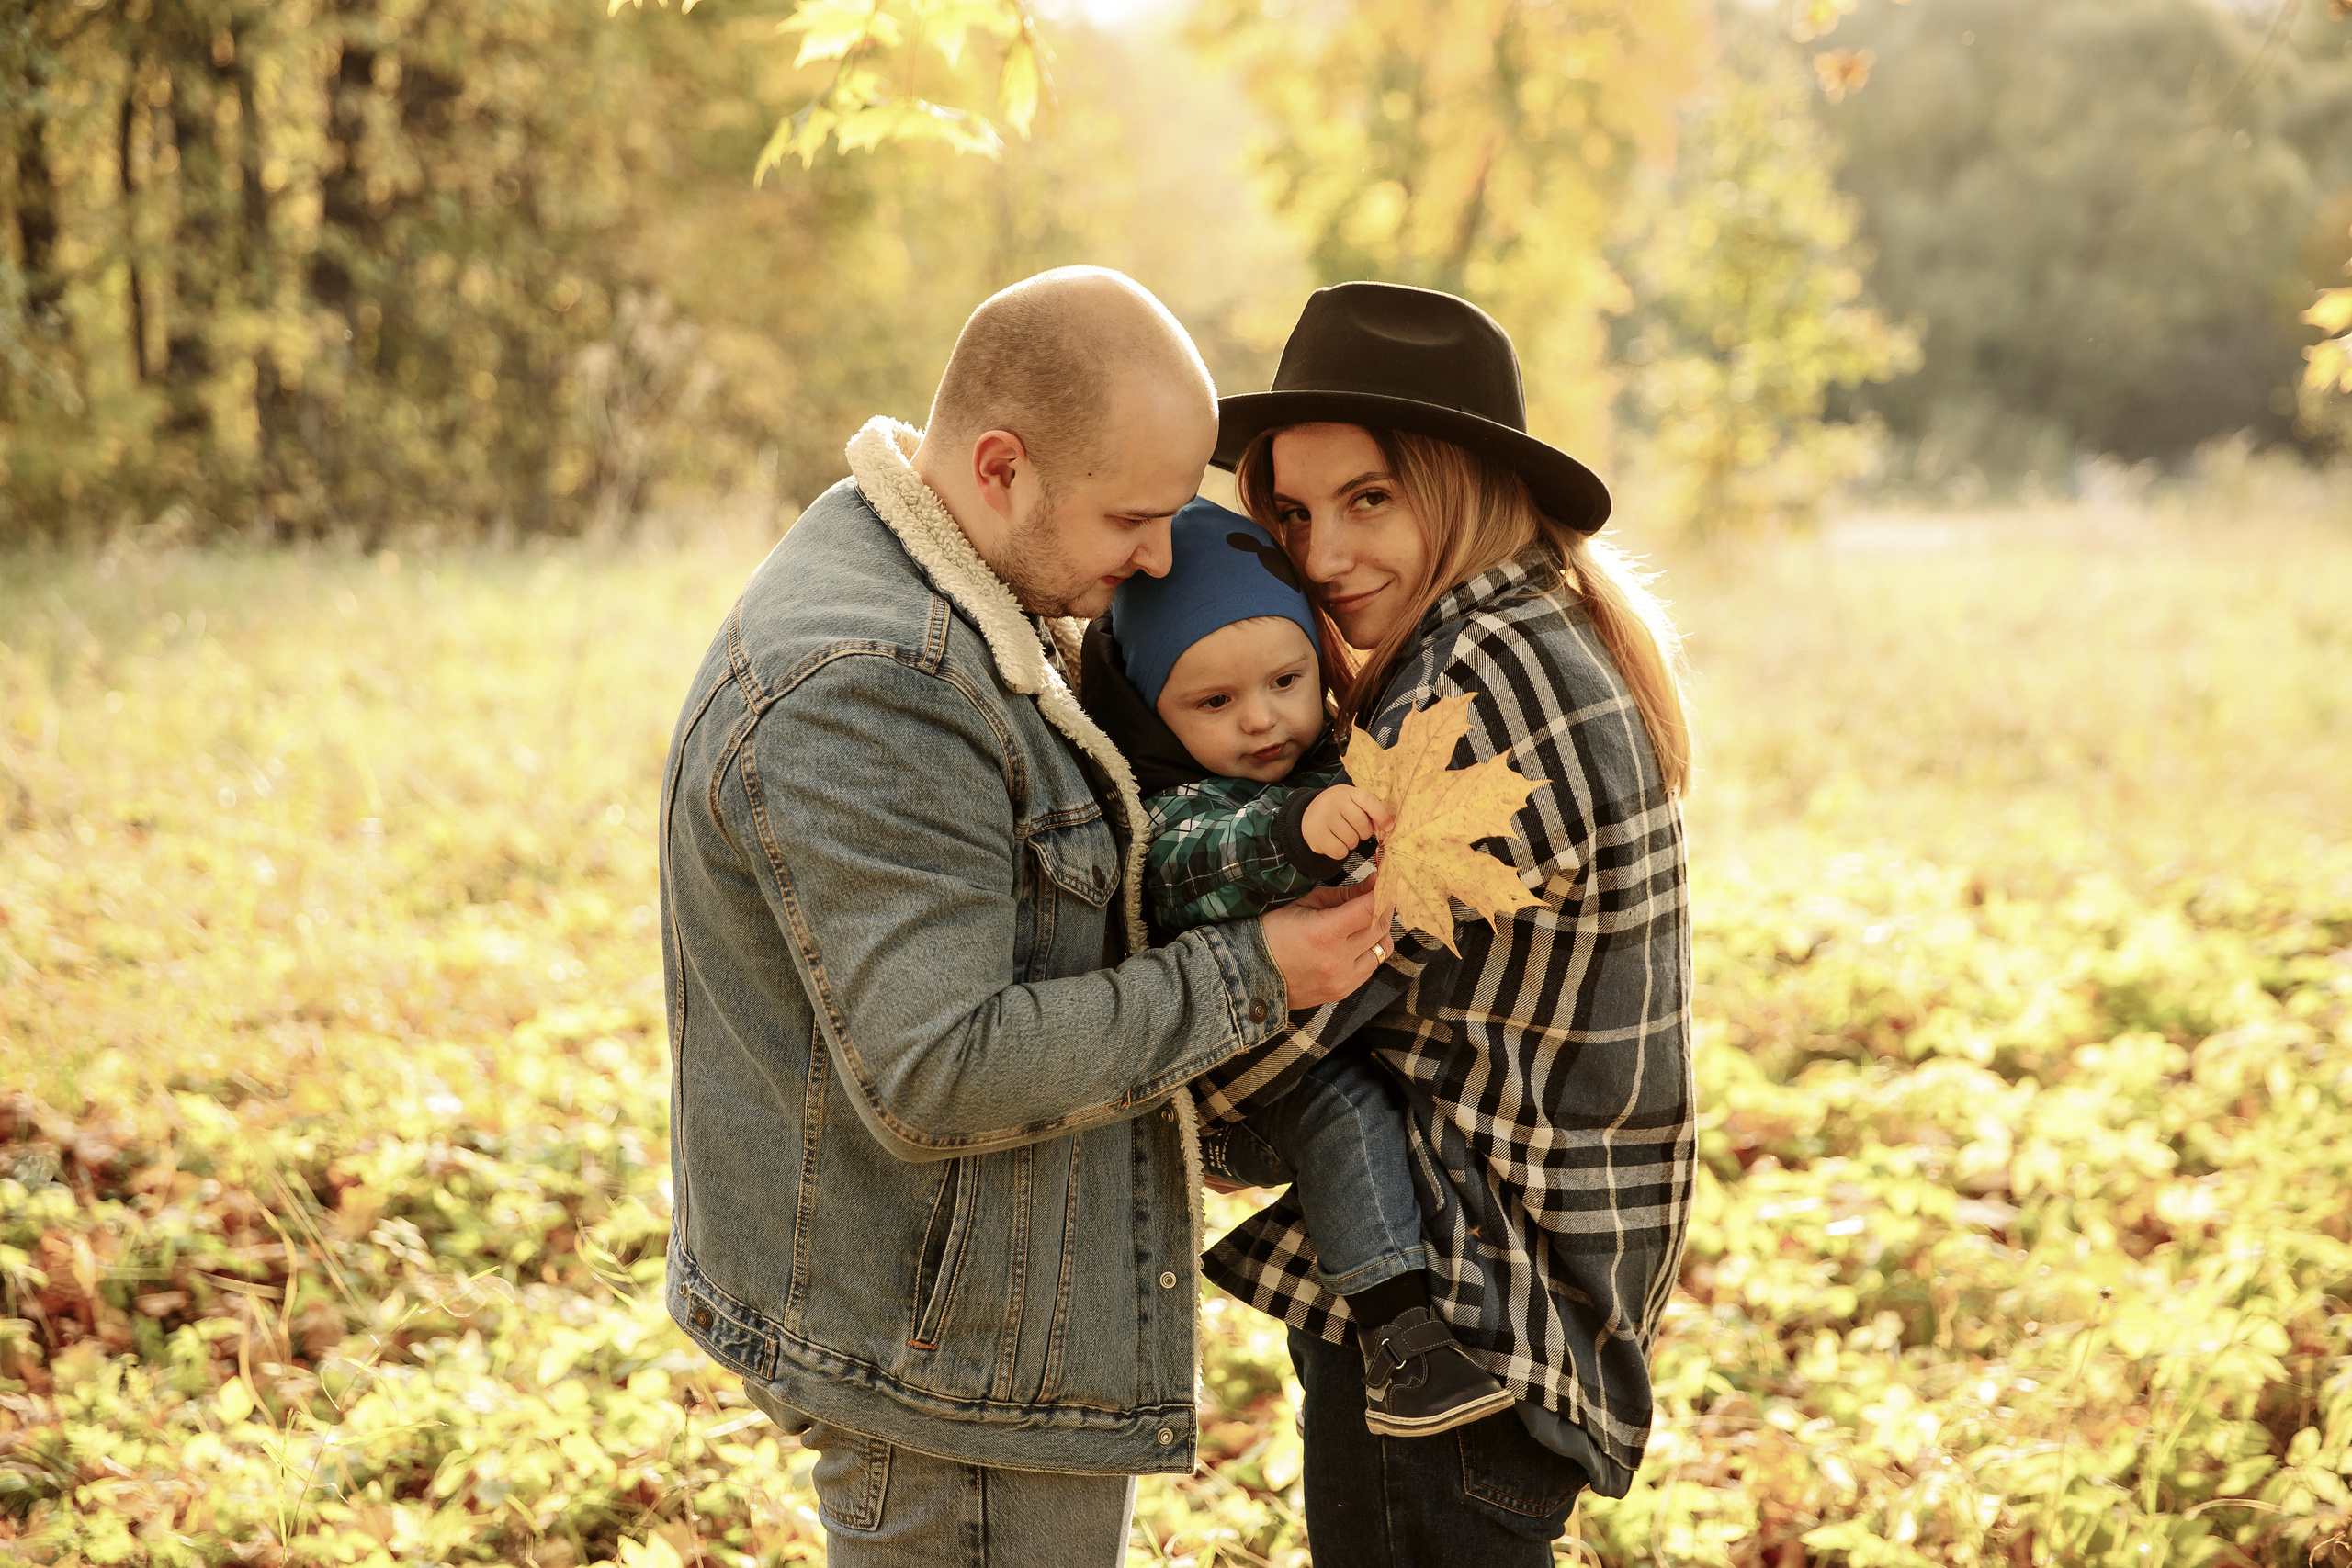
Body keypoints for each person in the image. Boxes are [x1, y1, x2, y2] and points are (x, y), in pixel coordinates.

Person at [655, 266, 1389, 1567]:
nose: (1163, 556)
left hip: (980, 1319)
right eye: (1134, 516)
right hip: (954, 1364)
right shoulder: (874, 679)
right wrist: (1251, 972)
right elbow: (941, 1064)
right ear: (1001, 466)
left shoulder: (957, 592)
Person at [1191, 280, 1697, 1565]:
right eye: (1292, 512)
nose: (1321, 555)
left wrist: (1118, 1049)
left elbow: (1304, 1006)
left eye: (1371, 499)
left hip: (1458, 1334)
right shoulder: (1529, 635)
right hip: (1487, 1325)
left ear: (1461, 485)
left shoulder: (1470, 696)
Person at [1075, 498, 1515, 1438]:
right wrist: (1296, 833)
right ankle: (1400, 1339)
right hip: (1230, 1098)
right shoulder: (1175, 802)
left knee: (1375, 1104)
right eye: (1212, 702)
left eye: (1285, 678)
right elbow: (1193, 867)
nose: (1262, 720)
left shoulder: (1327, 757)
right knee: (1341, 1108)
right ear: (1151, 710)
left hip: (1317, 1060)